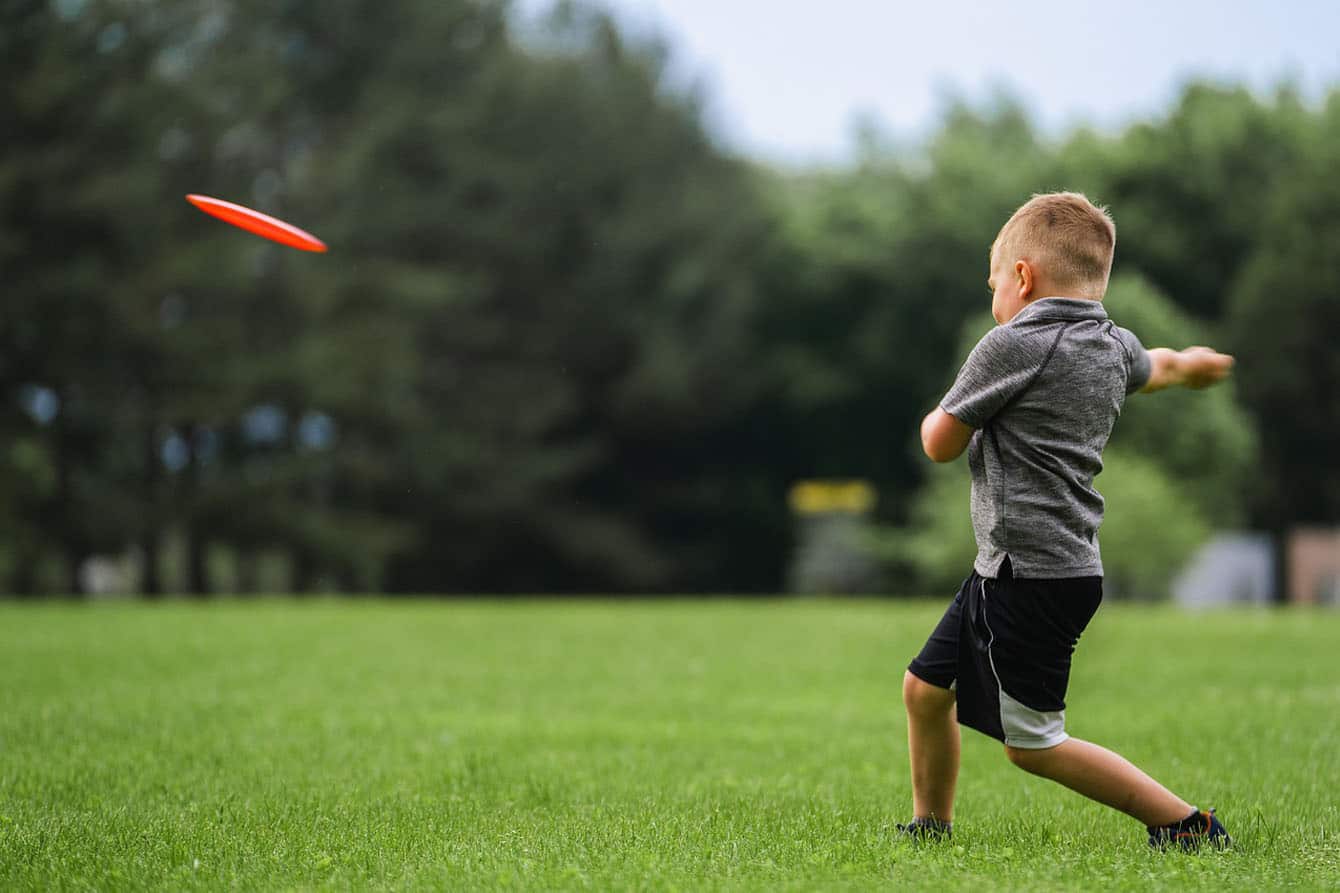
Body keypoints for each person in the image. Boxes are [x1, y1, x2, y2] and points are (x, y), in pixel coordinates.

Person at [900, 192, 1234, 850]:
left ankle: (1186, 822)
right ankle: (929, 825)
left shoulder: (1014, 342)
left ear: (1022, 277)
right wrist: (1192, 365)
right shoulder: (1111, 343)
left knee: (1034, 744)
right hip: (1029, 566)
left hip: (1028, 574)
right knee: (925, 689)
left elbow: (938, 441)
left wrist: (940, 414)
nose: (995, 296)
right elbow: (1159, 366)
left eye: (995, 282)